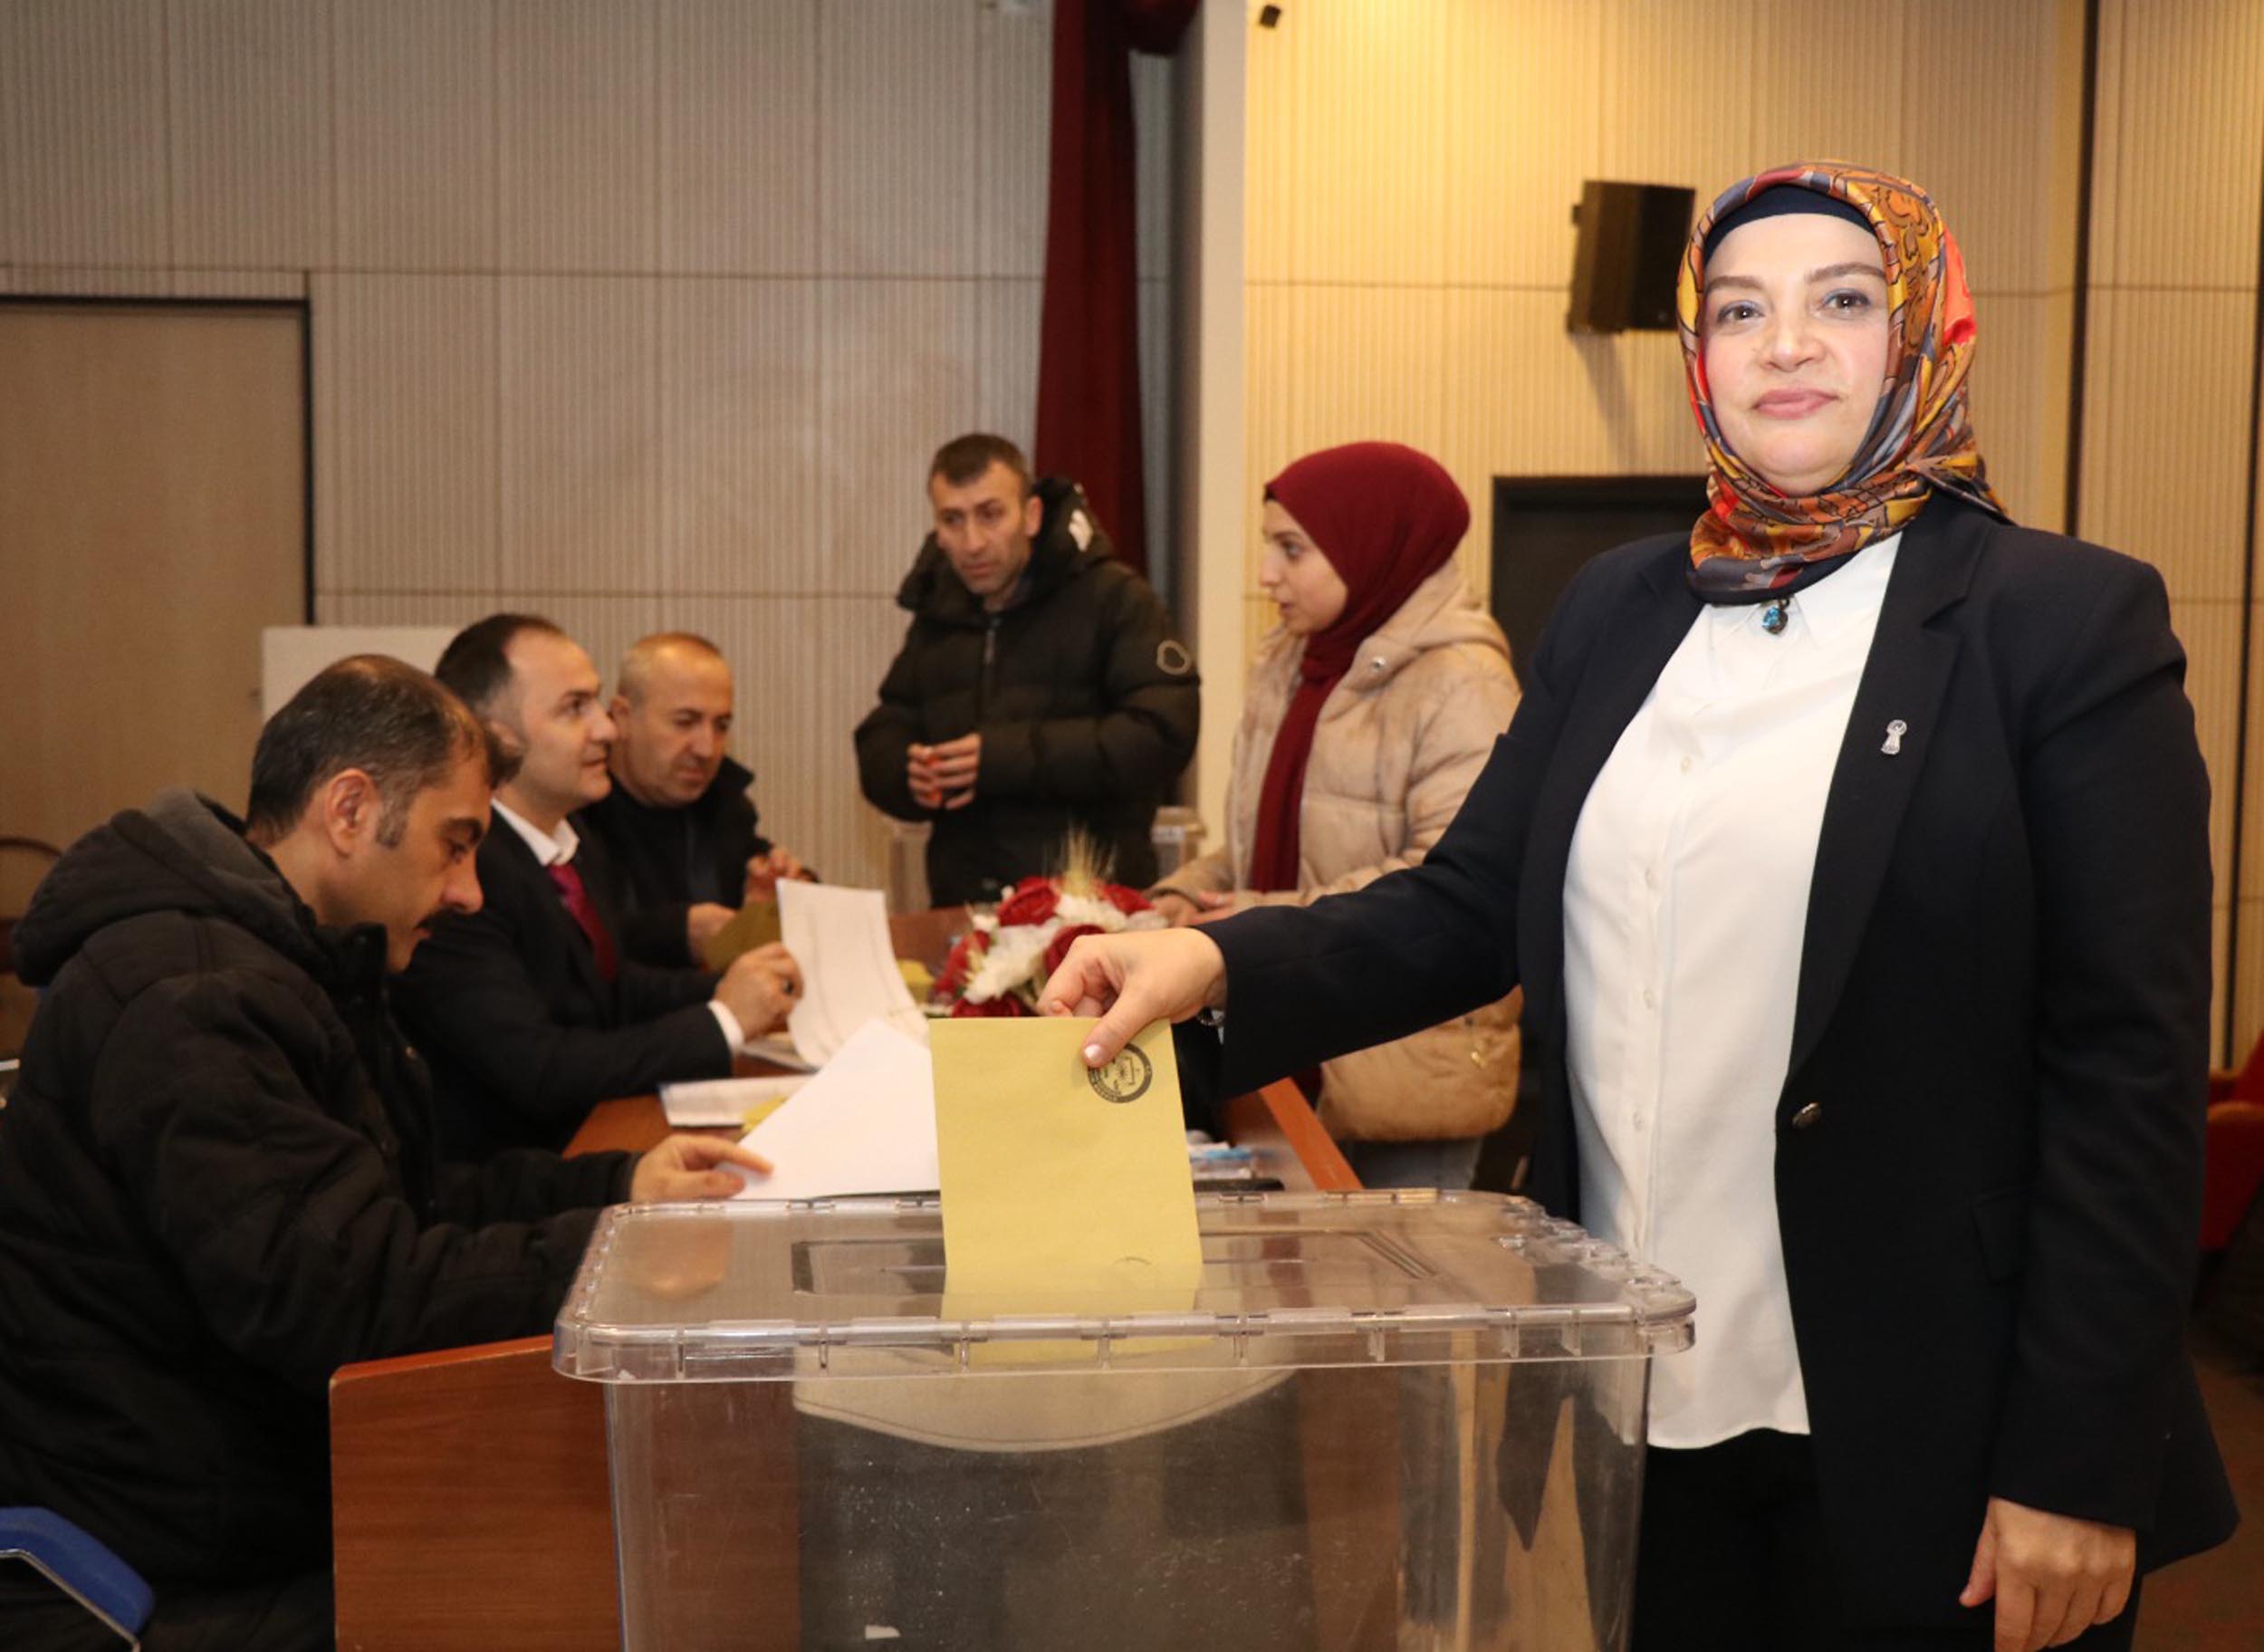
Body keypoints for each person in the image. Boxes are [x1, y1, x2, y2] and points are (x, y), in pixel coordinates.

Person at [1043, 164, 2238, 1650]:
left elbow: (2127, 1071)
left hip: (1941, 1416)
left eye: (1843, 301)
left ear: (1926, 333)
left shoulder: (2058, 621)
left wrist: (2079, 1458)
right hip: (1644, 1381)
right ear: (1701, 357)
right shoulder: (1620, 605)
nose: (1787, 342)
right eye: (1741, 309)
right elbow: (1470, 900)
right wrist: (1209, 956)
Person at [0, 657, 766, 1651]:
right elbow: (352, 1295)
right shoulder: (191, 999)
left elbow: (405, 1198)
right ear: (351, 810)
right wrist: (618, 1251)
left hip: (242, 1473)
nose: (469, 894)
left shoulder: (288, 959)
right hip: (179, 1532)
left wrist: (622, 1184)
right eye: (455, 847)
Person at [1151, 441, 1521, 1189]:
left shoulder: (1466, 685)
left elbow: (1449, 887)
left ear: (1371, 545)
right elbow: (1257, 844)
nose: (1266, 576)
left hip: (1405, 1072)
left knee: (1404, 1301)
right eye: (1268, 547)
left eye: (1292, 549)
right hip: (1287, 1038)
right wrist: (1186, 894)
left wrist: (1244, 924)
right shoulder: (1292, 662)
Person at [393, 615, 801, 1159]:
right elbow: (540, 1071)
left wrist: (740, 988)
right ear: (493, 735)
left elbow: (607, 988)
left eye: (596, 703)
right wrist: (720, 1021)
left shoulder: (566, 839)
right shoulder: (459, 875)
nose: (607, 729)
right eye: (573, 708)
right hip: (512, 1181)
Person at [854, 433, 1201, 906]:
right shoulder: (939, 609)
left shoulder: (1114, 598)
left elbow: (1162, 733)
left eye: (990, 514)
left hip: (1090, 913)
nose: (971, 542)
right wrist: (905, 771)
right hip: (964, 914)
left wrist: (1000, 758)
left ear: (1032, 515)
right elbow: (885, 729)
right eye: (952, 520)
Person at [575, 631, 811, 968]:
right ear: (622, 718)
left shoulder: (723, 803)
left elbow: (760, 873)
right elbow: (570, 937)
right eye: (685, 722)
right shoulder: (576, 812)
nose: (707, 748)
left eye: (721, 726)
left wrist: (784, 891)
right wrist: (676, 932)